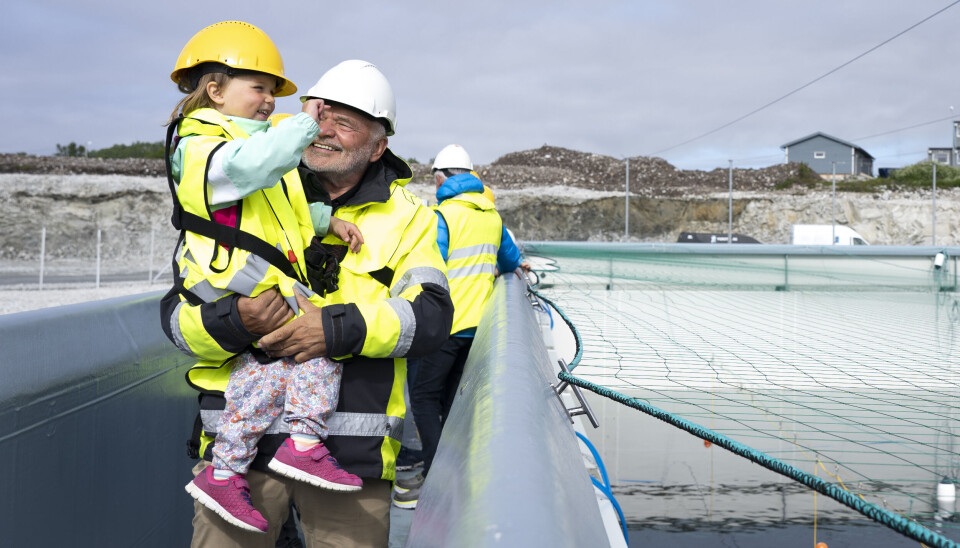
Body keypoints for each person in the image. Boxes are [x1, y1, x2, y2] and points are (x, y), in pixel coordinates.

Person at [160, 59, 453, 546]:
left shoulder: (410, 219)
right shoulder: (248, 192)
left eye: (346, 123)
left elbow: (429, 318)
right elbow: (175, 318)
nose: (325, 132)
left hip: (349, 459)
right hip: (238, 457)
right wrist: (235, 319)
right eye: (320, 117)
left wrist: (333, 329)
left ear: (380, 145)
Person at [163, 21, 368, 534]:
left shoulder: (248, 148)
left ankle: (232, 469)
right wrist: (302, 127)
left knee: (267, 381)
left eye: (273, 92)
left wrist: (328, 221)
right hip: (239, 291)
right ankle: (300, 447)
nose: (270, 101)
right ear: (215, 89)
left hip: (266, 288)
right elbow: (249, 170)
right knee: (319, 354)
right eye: (259, 88)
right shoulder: (200, 147)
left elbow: (284, 208)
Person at [395, 144, 524, 509]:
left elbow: (426, 269)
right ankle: (452, 472)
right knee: (450, 402)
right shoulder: (492, 215)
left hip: (444, 324)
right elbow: (510, 259)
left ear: (440, 178)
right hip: (477, 326)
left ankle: (435, 477)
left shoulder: (442, 216)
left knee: (422, 398)